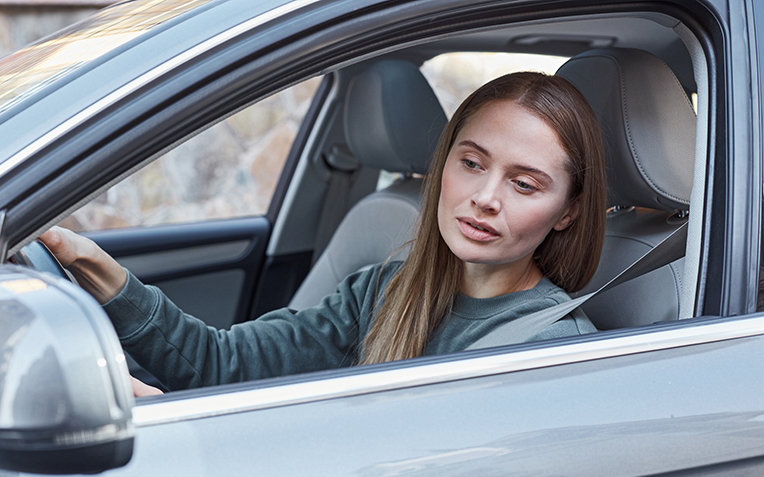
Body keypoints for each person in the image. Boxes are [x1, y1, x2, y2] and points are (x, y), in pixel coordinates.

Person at [40, 71, 606, 396]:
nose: (485, 197)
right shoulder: (383, 291)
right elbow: (222, 362)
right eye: (473, 163)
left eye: (525, 184)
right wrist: (100, 272)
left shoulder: (556, 351)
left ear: (568, 212)